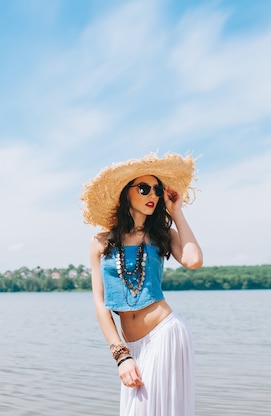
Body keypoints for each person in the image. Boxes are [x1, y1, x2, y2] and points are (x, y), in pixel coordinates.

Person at [80, 152, 203, 416]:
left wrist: (177, 212)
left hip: (165, 334)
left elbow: (193, 260)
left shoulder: (162, 235)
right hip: (131, 346)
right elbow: (100, 303)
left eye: (157, 190)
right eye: (144, 188)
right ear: (126, 193)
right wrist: (121, 355)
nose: (153, 196)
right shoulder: (99, 243)